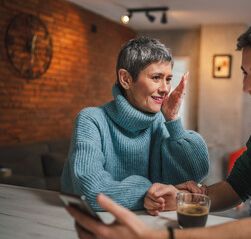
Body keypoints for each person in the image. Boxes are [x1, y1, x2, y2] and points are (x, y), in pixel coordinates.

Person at [65, 14, 251, 239]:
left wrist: (163, 236)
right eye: (245, 73)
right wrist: (187, 198)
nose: (246, 86)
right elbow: (237, 186)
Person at [61, 37, 209, 211]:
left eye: (168, 79)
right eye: (156, 77)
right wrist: (156, 192)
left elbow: (195, 173)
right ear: (125, 79)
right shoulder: (91, 120)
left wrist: (173, 120)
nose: (165, 88)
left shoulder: (162, 122)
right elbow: (90, 192)